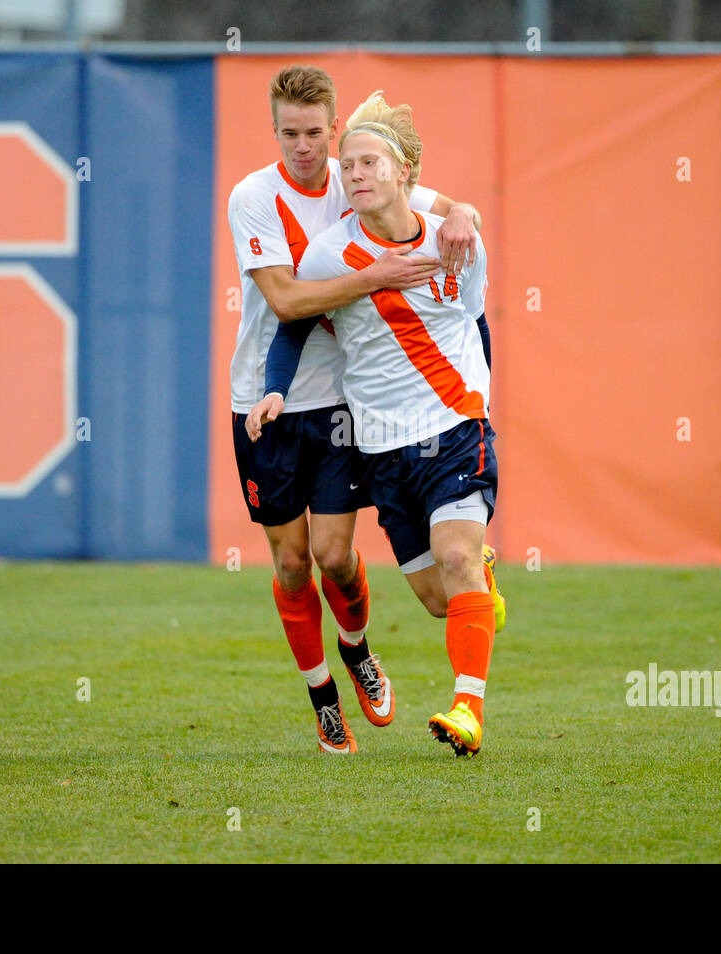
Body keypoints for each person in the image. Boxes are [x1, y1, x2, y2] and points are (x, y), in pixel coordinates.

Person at [227, 65, 484, 754]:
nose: (303, 148)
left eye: (315, 133)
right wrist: (374, 276)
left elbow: (441, 205)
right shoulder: (253, 196)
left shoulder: (357, 175)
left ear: (333, 128)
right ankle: (323, 704)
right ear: (274, 131)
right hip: (266, 400)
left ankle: (360, 653)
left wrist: (464, 213)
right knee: (288, 565)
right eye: (290, 135)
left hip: (341, 403)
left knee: (334, 556)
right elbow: (285, 305)